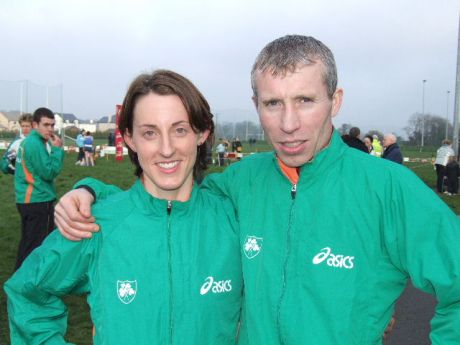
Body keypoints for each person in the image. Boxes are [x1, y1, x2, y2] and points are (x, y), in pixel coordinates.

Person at [54, 35, 460, 344]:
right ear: (255, 104)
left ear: (335, 101)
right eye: (272, 103)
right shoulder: (240, 182)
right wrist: (91, 191)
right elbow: (165, 195)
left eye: (305, 100)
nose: (288, 123)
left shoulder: (388, 189)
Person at [5, 70, 242, 344]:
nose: (166, 149)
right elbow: (27, 292)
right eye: (150, 132)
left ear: (201, 133)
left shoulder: (233, 219)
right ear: (129, 138)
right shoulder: (96, 223)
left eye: (180, 130)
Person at [13, 107, 64, 270]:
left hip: (30, 200)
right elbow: (49, 172)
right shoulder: (34, 144)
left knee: (30, 243)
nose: (50, 129)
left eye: (52, 125)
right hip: (37, 200)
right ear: (35, 125)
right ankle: (24, 284)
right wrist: (57, 150)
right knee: (36, 246)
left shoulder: (32, 142)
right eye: (46, 125)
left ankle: (22, 281)